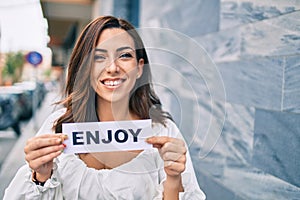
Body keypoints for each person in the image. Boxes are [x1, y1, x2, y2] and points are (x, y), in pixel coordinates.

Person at [4, 16, 206, 200]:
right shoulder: (58, 126)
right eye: (99, 57)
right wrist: (40, 175)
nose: (112, 68)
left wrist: (173, 178)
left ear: (139, 68)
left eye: (125, 56)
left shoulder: (162, 130)